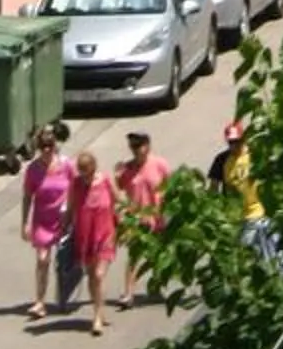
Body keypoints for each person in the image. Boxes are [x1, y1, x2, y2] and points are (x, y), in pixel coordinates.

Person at [19, 124, 75, 324]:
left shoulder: (67, 165)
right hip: (42, 221)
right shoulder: (33, 170)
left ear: (55, 145)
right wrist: (24, 222)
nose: (46, 149)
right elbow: (27, 197)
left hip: (64, 220)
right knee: (43, 260)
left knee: (66, 262)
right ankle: (40, 302)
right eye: (42, 146)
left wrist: (73, 213)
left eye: (49, 145)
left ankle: (64, 297)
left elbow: (77, 188)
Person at [208, 116, 282, 265]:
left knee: (273, 255)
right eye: (231, 143)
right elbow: (213, 189)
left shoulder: (255, 155)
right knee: (246, 259)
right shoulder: (221, 160)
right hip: (237, 218)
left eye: (237, 142)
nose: (234, 146)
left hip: (259, 211)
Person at [63, 150, 118, 335]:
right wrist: (64, 229)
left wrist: (127, 220)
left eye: (86, 170)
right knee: (92, 275)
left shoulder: (105, 181)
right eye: (80, 170)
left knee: (100, 274)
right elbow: (70, 208)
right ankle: (99, 309)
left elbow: (118, 201)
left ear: (93, 167)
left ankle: (96, 318)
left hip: (105, 234)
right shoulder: (76, 184)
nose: (83, 173)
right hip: (84, 236)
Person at [114, 130, 170, 310]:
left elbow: (171, 188)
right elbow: (119, 188)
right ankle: (128, 293)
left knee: (157, 256)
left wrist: (168, 213)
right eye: (133, 146)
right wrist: (118, 175)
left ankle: (156, 288)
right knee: (133, 257)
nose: (136, 150)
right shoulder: (128, 168)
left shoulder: (159, 164)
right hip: (136, 219)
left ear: (147, 146)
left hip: (157, 216)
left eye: (139, 145)